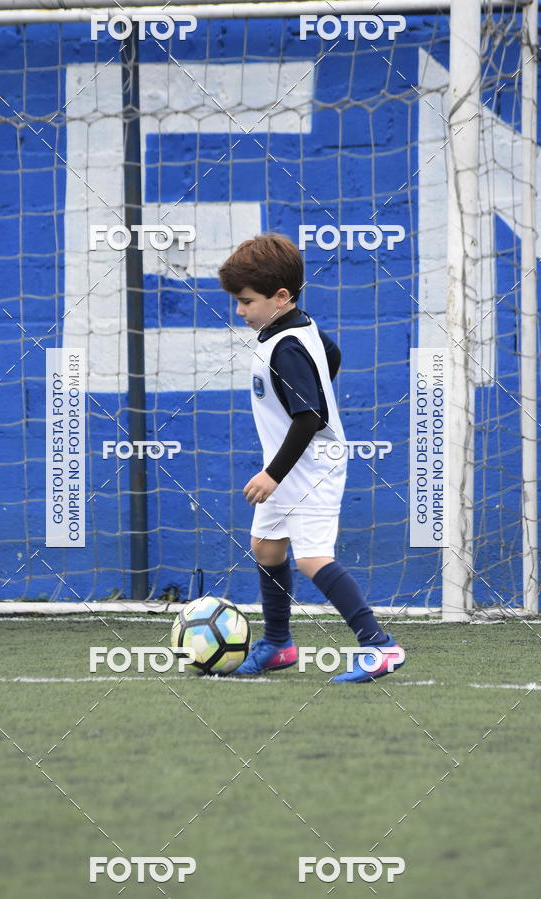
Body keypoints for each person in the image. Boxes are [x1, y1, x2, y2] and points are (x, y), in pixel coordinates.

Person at [218, 233, 405, 683]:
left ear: (281, 297)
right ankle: (279, 645)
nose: (240, 310)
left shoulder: (286, 348)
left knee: (310, 558)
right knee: (266, 548)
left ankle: (380, 646)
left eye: (246, 301)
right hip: (289, 463)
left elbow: (310, 418)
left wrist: (271, 475)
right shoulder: (294, 327)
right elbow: (332, 354)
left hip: (311, 465)